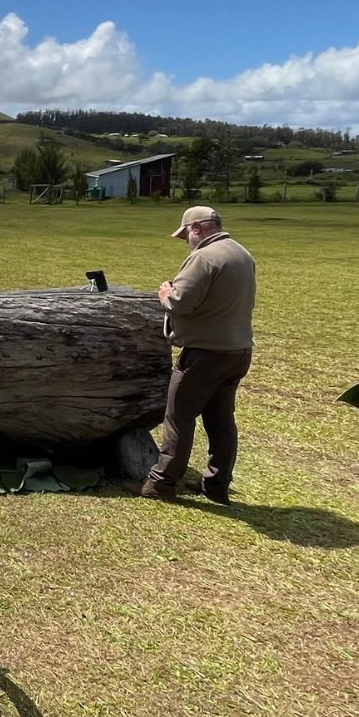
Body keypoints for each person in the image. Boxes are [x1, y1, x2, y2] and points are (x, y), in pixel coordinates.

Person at [142, 205, 257, 505]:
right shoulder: (242, 253)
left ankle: (161, 483)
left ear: (196, 228)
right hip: (238, 350)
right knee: (221, 421)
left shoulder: (204, 257)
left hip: (206, 353)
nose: (187, 242)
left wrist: (166, 293)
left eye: (186, 236)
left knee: (178, 416)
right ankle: (217, 486)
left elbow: (181, 302)